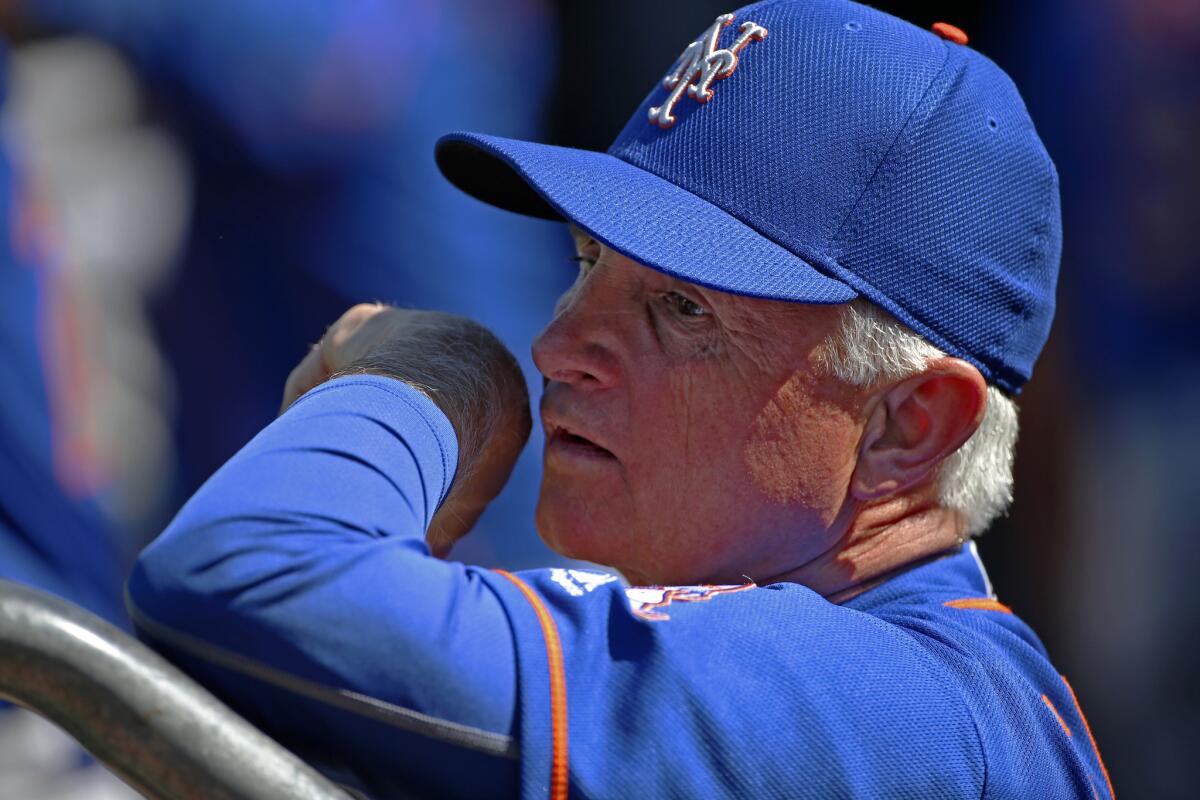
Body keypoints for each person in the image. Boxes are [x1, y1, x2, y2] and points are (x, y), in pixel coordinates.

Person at [127, 1, 1114, 798]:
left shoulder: (880, 694)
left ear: (910, 424)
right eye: (587, 258)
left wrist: (425, 379)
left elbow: (239, 570)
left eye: (681, 307)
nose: (556, 346)